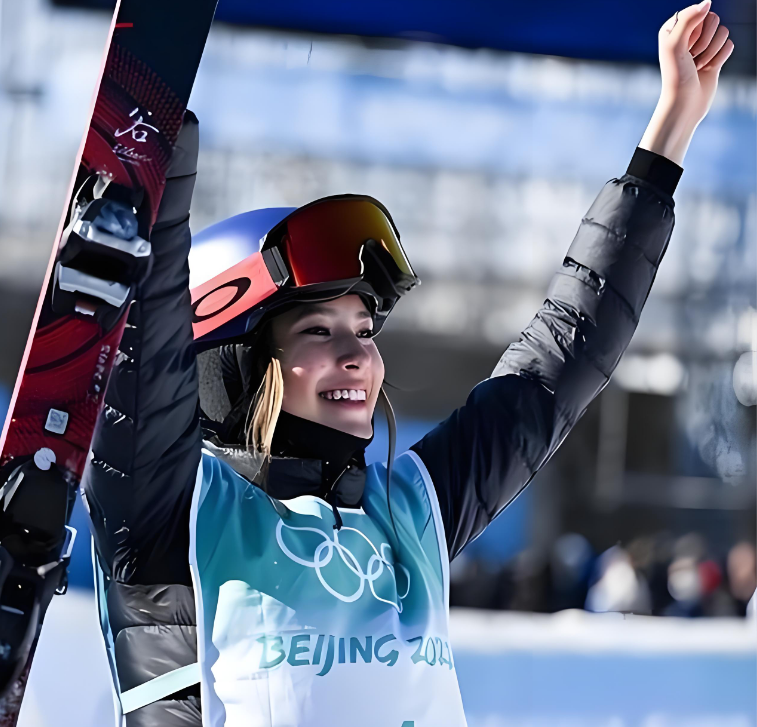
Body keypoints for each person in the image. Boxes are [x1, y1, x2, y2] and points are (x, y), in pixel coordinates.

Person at [82, 3, 733, 725]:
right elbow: (144, 363)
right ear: (234, 362)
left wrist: (670, 129)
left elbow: (561, 358)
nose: (358, 353)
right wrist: (149, 147)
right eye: (319, 330)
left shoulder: (413, 510)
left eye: (364, 328)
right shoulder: (177, 509)